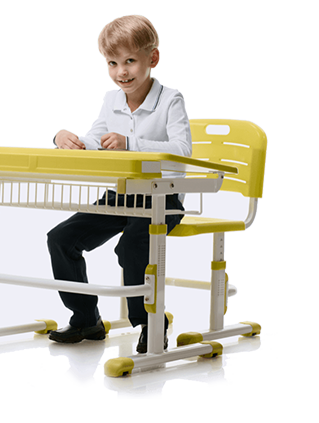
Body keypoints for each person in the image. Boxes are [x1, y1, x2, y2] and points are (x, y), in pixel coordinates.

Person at [47, 15, 192, 353]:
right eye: (113, 63)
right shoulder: (112, 100)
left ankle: (149, 324)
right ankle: (86, 319)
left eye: (130, 61)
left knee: (131, 247)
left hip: (162, 200)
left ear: (152, 59)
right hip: (121, 196)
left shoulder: (171, 100)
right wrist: (64, 138)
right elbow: (96, 139)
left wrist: (130, 144)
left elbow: (182, 151)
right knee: (61, 239)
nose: (121, 72)